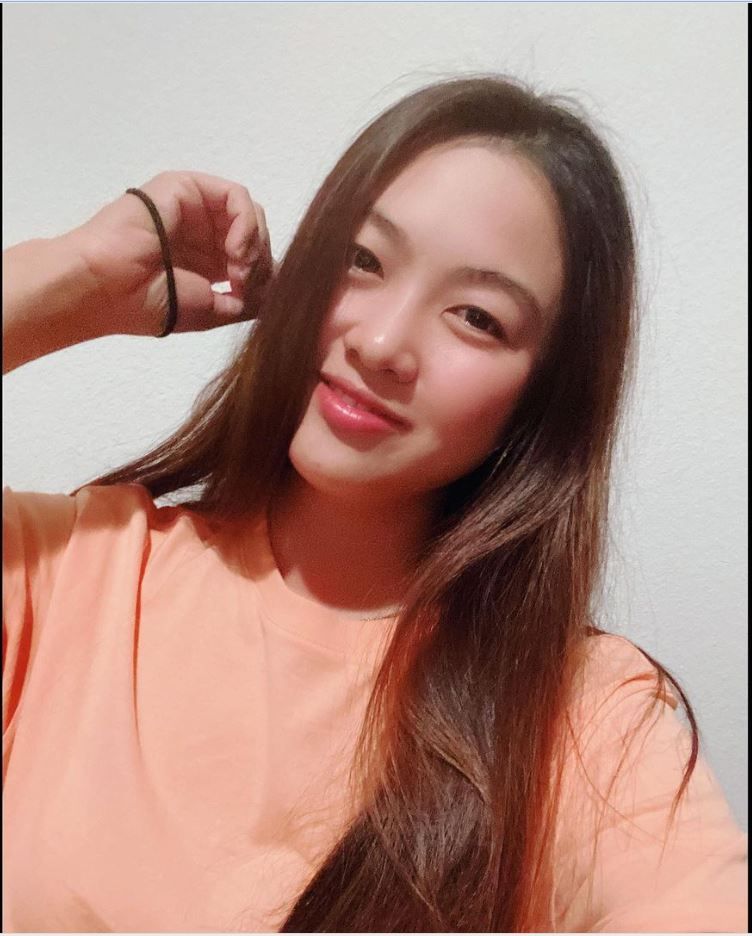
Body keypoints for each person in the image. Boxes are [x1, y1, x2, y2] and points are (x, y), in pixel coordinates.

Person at [2, 76, 746, 933]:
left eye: (476, 317)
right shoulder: (75, 573)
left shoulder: (583, 718)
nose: (383, 342)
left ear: (542, 396)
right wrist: (74, 277)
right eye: (363, 260)